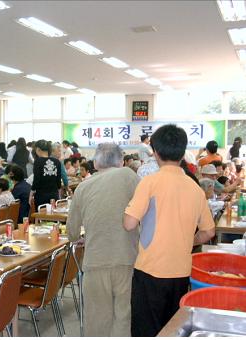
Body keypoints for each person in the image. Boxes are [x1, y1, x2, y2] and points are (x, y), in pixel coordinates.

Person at [123, 124, 215, 337]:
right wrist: (186, 241)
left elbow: (129, 223)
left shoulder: (150, 182)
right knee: (172, 330)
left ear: (155, 152)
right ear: (183, 152)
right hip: (181, 273)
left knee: (146, 331)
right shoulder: (195, 188)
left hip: (150, 270)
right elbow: (209, 232)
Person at [67, 143, 140, 336]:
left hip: (95, 261)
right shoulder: (129, 176)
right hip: (126, 258)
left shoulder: (82, 187)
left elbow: (72, 232)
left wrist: (80, 238)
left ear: (95, 164)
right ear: (121, 161)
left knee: (97, 319)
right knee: (123, 316)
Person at [31, 140, 62, 209]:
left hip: (41, 196)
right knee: (54, 217)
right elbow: (58, 181)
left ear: (38, 149)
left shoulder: (38, 161)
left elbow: (36, 180)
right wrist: (59, 195)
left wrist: (31, 194)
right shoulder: (57, 161)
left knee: (42, 217)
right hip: (54, 195)